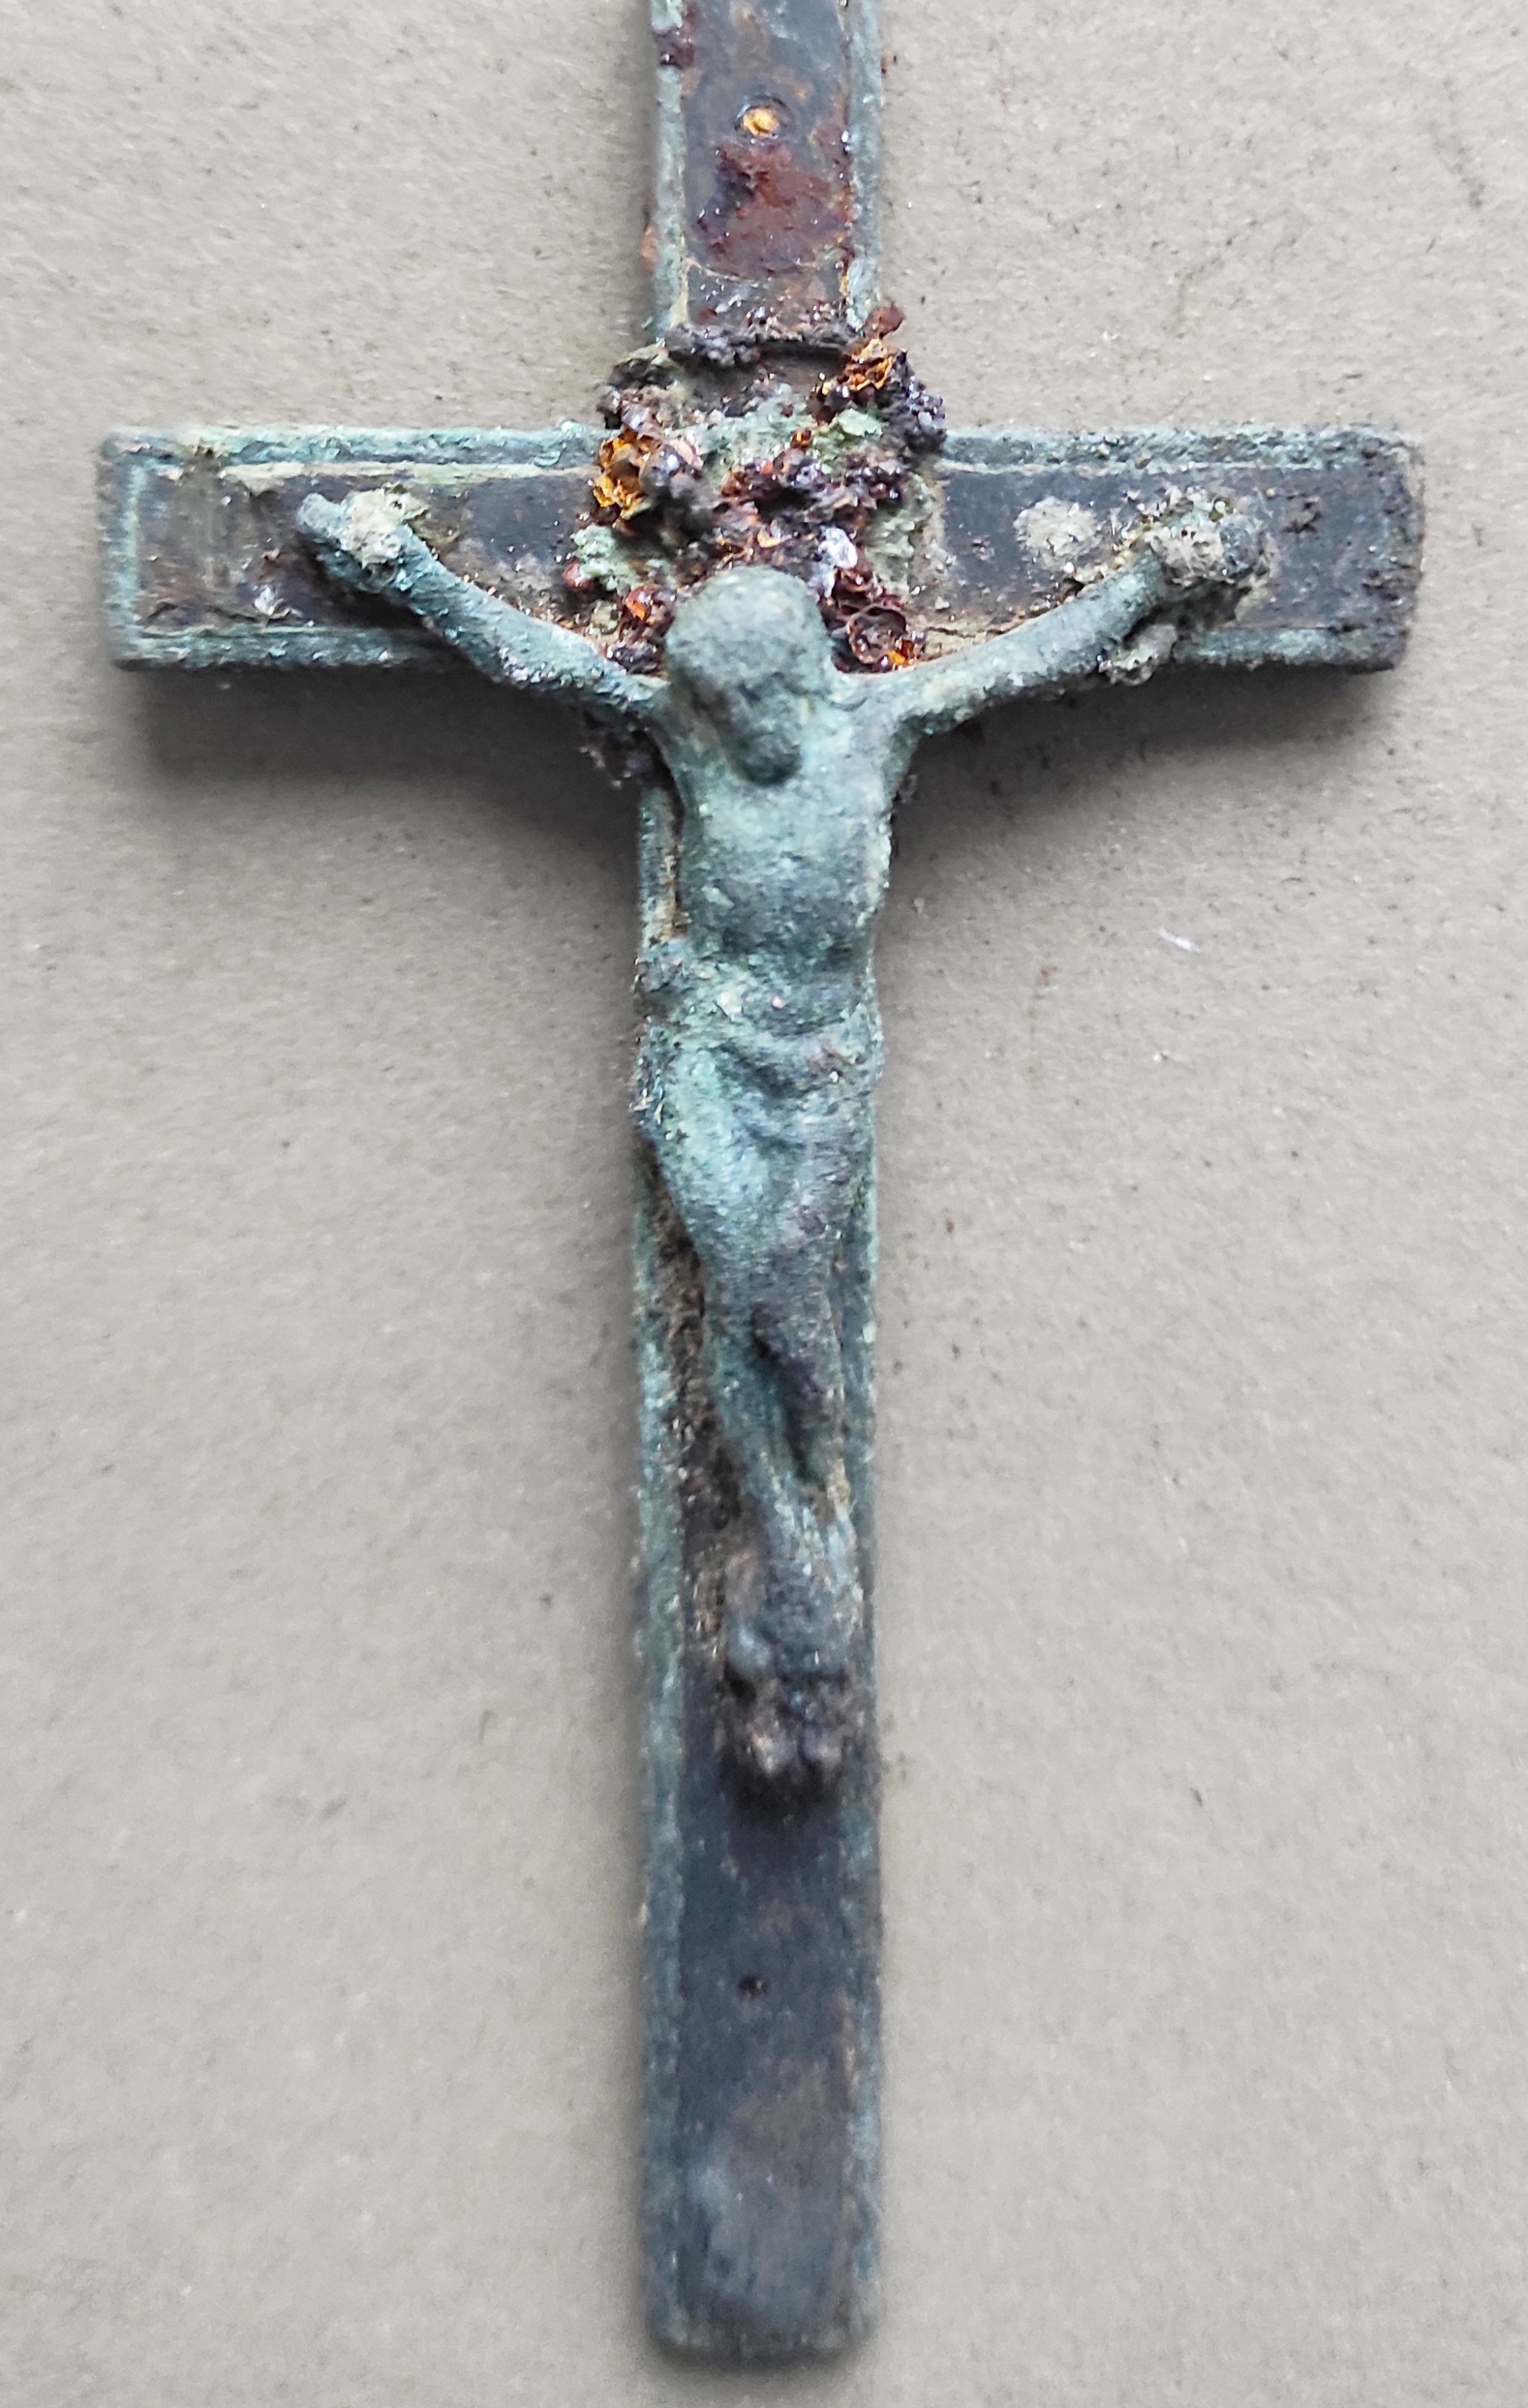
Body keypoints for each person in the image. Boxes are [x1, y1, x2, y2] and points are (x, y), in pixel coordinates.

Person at [301, 487, 1255, 1783]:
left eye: (751, 700)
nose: (733, 725)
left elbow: (1030, 660)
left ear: (801, 682)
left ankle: (807, 1513)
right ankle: (790, 1540)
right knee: (734, 1278)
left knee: (783, 1297)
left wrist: (1150, 584)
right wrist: (404, 572)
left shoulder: (880, 723)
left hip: (815, 1066)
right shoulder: (685, 736)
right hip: (706, 1047)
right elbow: (539, 660)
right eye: (713, 702)